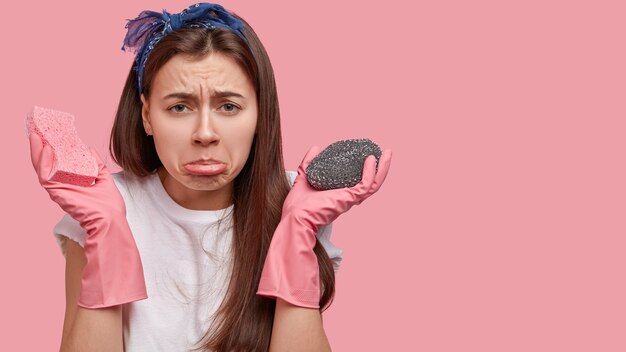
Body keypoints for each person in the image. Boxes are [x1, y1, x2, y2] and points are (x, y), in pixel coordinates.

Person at [28, 3, 392, 351]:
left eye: (229, 106)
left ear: (260, 114)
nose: (205, 133)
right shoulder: (100, 208)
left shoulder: (297, 204)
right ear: (147, 116)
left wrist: (297, 231)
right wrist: (106, 234)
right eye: (179, 107)